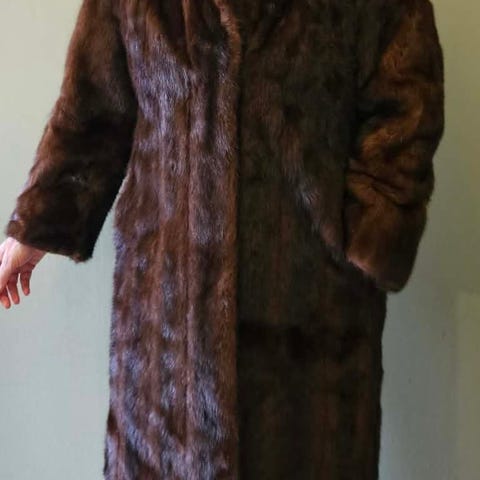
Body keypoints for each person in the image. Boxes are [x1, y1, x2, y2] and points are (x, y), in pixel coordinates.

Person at [0, 0, 444, 478]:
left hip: (309, 326)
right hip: (165, 343)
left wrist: (367, 234)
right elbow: (93, 113)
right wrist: (37, 227)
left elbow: (406, 106)